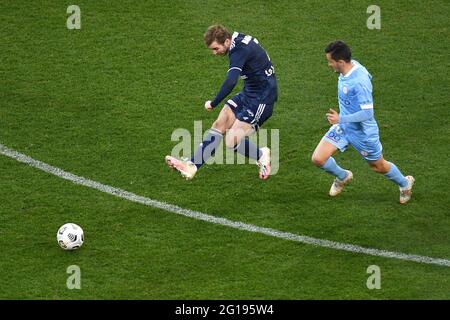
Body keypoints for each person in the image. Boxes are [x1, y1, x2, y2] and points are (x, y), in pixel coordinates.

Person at [165, 25, 278, 180]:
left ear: (226, 41)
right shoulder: (236, 40)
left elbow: (231, 81)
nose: (214, 53)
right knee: (220, 122)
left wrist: (213, 103)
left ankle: (262, 155)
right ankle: (192, 166)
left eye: (215, 49)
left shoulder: (239, 51)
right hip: (249, 92)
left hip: (262, 99)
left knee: (231, 140)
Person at [311, 40, 414, 204]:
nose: (329, 65)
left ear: (340, 62)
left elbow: (367, 113)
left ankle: (404, 183)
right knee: (318, 159)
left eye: (330, 61)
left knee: (378, 166)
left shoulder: (359, 82)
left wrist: (340, 118)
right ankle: (343, 176)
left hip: (363, 133)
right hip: (344, 127)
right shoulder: (350, 69)